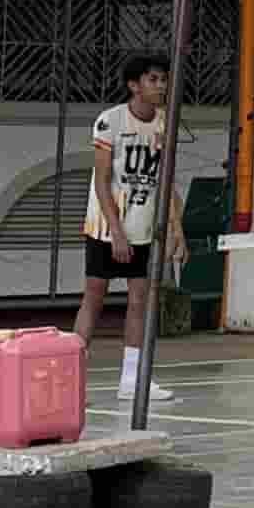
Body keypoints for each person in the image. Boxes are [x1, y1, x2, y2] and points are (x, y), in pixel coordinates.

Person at [78, 57, 172, 413]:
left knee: (139, 299)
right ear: (134, 85)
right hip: (106, 225)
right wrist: (116, 231)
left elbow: (166, 180)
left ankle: (131, 380)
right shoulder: (110, 121)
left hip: (142, 225)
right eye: (153, 79)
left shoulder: (165, 123)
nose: (161, 85)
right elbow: (102, 182)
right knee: (94, 296)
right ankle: (72, 378)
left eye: (163, 79)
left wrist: (175, 227)